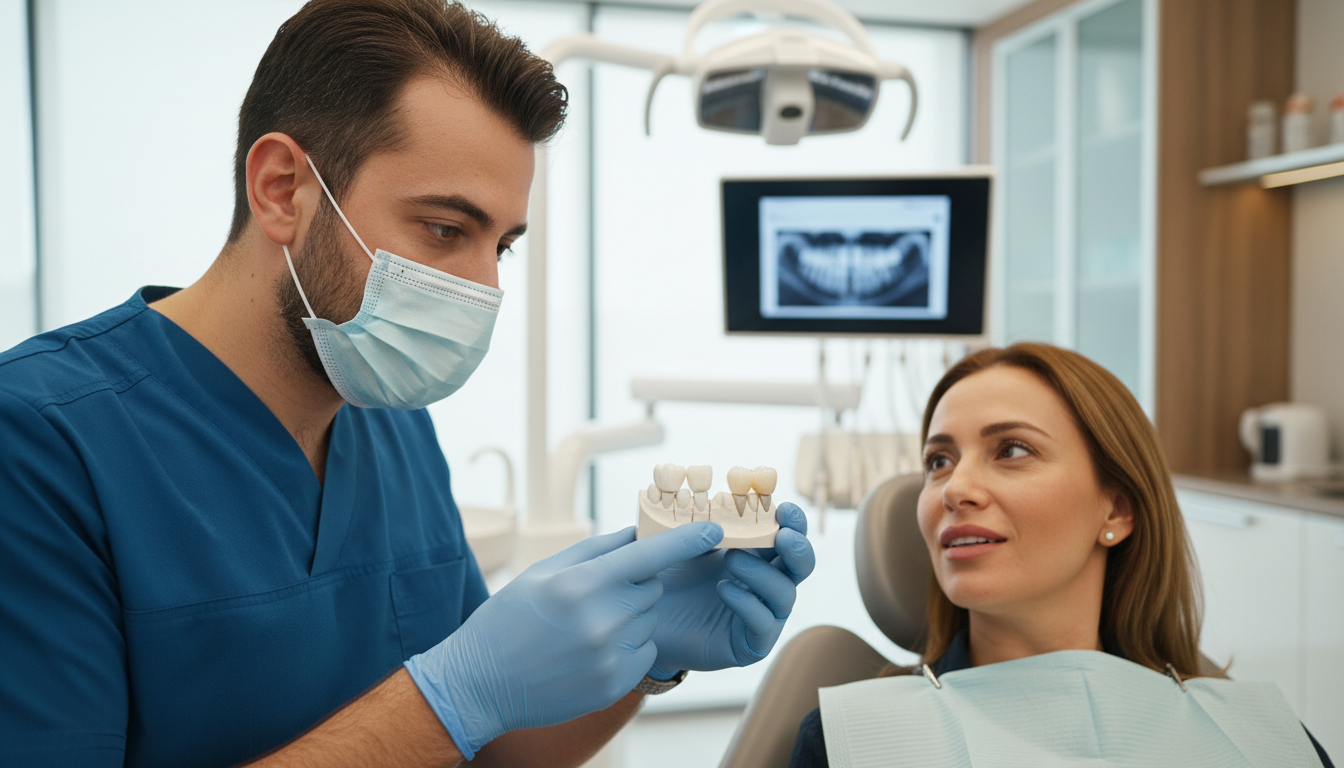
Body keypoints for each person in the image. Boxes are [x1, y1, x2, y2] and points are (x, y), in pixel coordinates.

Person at [0, 2, 816, 766]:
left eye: (502, 246)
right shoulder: (39, 444)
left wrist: (646, 658)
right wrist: (451, 693)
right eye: (444, 229)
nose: (484, 288)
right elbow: (455, 707)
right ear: (283, 188)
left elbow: (488, 745)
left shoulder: (386, 416)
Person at [788, 343, 1332, 768]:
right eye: (939, 460)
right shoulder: (848, 745)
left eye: (1013, 450)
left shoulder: (1263, 743)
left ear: (1116, 510)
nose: (956, 487)